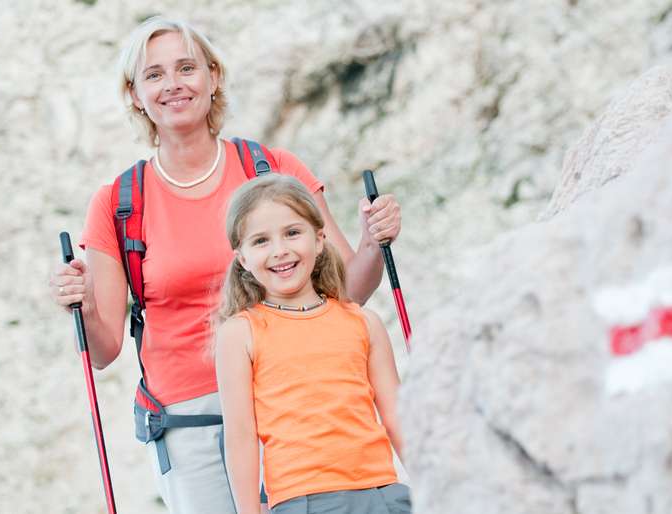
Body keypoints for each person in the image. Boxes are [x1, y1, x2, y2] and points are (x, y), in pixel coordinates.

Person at [48, 16, 402, 514]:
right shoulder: (118, 202)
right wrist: (81, 303)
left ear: (213, 76)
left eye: (187, 67)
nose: (173, 84)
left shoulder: (272, 169)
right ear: (134, 94)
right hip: (190, 423)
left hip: (294, 401)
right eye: (154, 74)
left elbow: (347, 294)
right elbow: (103, 350)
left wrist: (372, 241)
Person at [215, 174, 411, 514]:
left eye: (293, 232)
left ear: (319, 239)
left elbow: (397, 415)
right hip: (302, 501)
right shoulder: (239, 333)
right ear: (242, 258)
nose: (280, 251)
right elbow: (241, 438)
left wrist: (439, 483)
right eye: (261, 240)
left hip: (382, 494)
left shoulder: (363, 322)